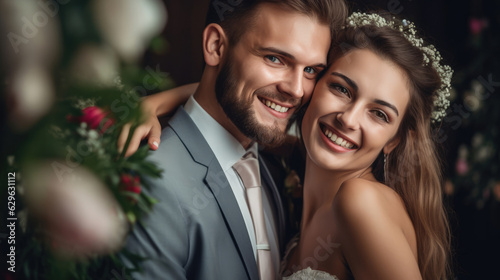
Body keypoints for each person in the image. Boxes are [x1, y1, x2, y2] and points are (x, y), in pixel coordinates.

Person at [122, 12, 453, 280]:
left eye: (379, 114)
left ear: (393, 140)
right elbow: (244, 96)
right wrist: (161, 102)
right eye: (341, 89)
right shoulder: (285, 163)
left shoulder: (360, 202)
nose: (349, 120)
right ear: (318, 89)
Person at [121, 1, 348, 280]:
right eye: (275, 59)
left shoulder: (276, 160)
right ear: (216, 46)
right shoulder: (154, 185)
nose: (296, 90)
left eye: (311, 70)